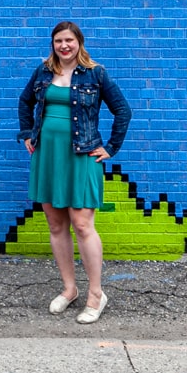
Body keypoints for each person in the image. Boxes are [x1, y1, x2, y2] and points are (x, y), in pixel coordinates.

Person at [17, 21, 132, 324]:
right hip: (48, 155)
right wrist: (27, 132)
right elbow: (25, 101)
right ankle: (70, 289)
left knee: (82, 225)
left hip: (81, 155)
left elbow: (123, 110)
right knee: (56, 226)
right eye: (58, 41)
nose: (64, 46)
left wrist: (110, 147)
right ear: (52, 44)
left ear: (79, 42)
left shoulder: (96, 73)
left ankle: (96, 294)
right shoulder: (43, 71)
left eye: (69, 40)